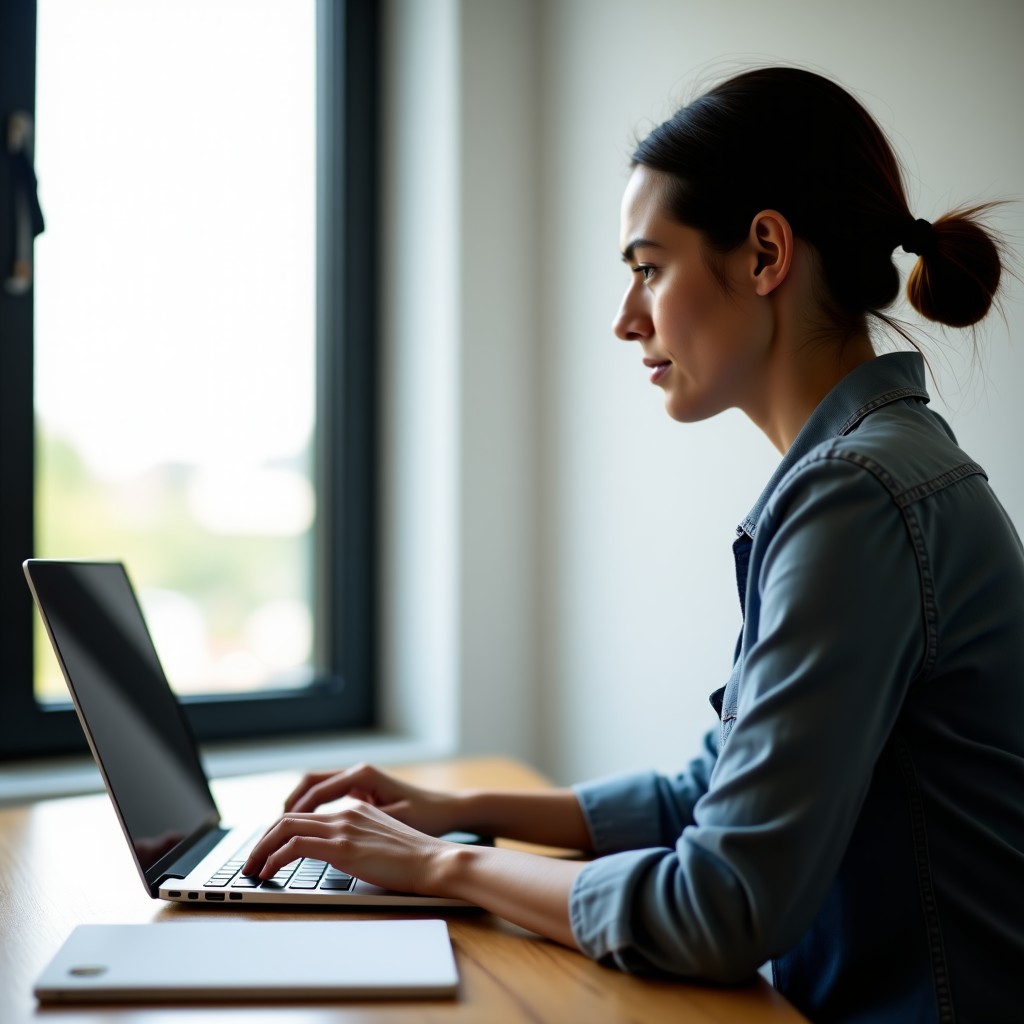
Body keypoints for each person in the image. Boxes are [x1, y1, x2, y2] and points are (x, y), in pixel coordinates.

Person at [243, 67, 1024, 1022]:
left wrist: (439, 867)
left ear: (765, 252)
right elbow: (713, 788)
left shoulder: (856, 496)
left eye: (649, 267)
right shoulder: (874, 471)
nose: (626, 318)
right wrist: (459, 811)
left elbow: (720, 906)